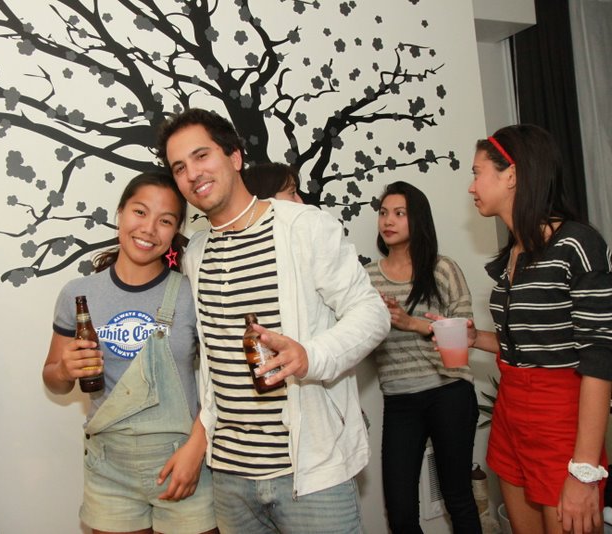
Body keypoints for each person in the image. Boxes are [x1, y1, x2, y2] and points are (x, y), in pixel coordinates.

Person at [155, 108, 390, 533]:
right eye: (179, 167)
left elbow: (371, 313)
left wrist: (310, 356)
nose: (192, 173)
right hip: (230, 478)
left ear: (235, 156)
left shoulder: (304, 226)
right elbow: (212, 364)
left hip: (309, 473)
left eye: (201, 156)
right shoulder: (196, 254)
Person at [42, 172, 217, 534]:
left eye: (165, 220)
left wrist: (197, 448)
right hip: (109, 470)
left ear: (176, 230)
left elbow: (223, 380)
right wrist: (64, 370)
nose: (149, 229)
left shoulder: (191, 293)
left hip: (182, 462)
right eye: (140, 212)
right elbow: (53, 381)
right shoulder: (78, 294)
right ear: (120, 213)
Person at [462, 124, 612, 533]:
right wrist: (475, 339)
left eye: (477, 173)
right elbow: (532, 342)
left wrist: (584, 470)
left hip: (560, 418)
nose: (472, 186)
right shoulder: (514, 253)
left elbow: (600, 357)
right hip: (511, 413)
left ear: (510, 174)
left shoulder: (577, 244)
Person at [366, 181, 481, 533]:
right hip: (399, 399)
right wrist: (372, 322)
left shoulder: (442, 269)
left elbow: (465, 336)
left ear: (418, 219)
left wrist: (411, 323)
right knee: (400, 512)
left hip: (449, 392)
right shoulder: (367, 278)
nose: (388, 221)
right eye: (384, 213)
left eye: (399, 213)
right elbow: (360, 342)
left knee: (458, 498)